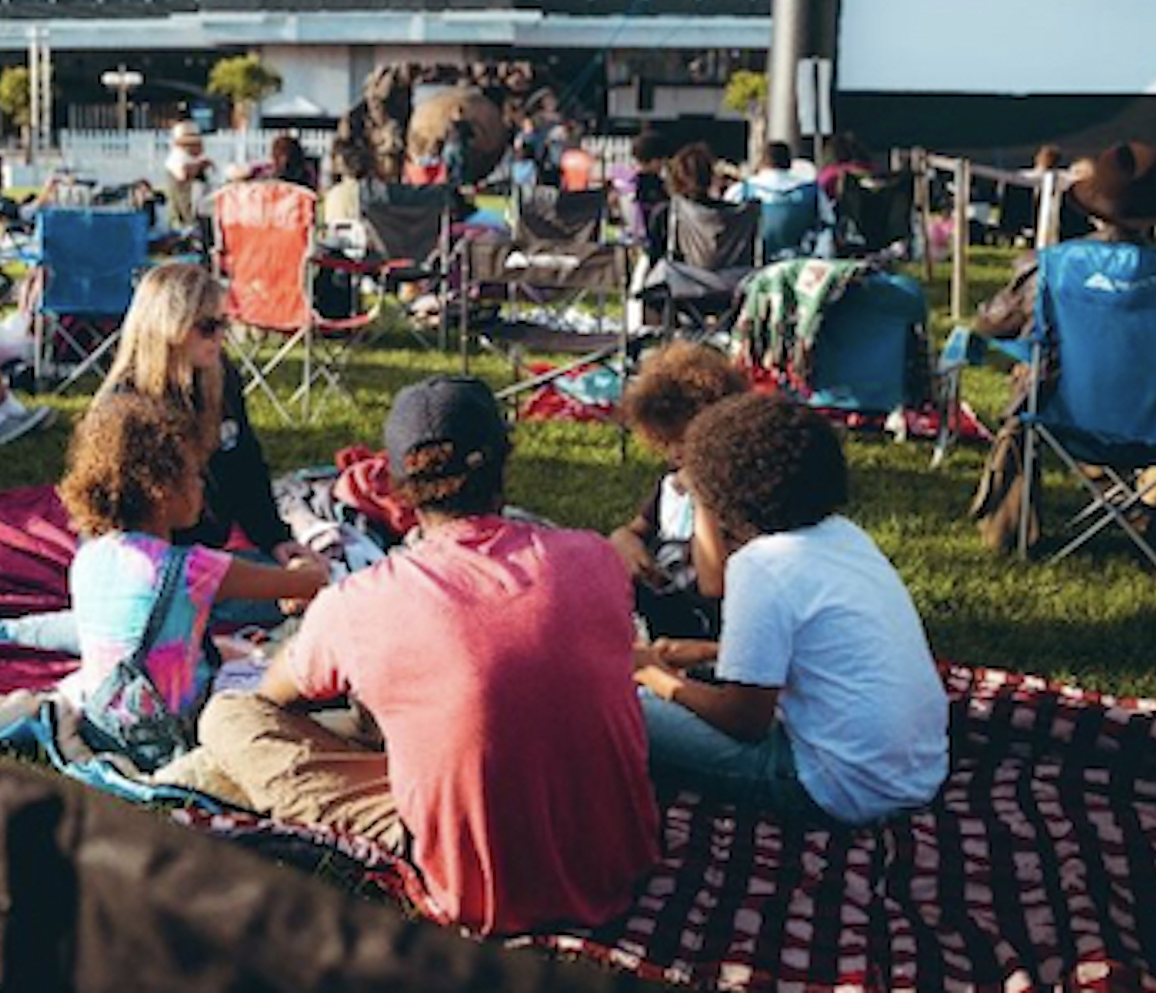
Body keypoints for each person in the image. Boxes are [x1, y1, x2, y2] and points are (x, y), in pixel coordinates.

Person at [197, 376, 659, 935]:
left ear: (394, 485)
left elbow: (272, 702)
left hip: (476, 885)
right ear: (504, 462)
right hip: (620, 863)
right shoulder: (596, 559)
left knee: (228, 718)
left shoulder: (362, 603)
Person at [634, 391, 948, 823]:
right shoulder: (845, 536)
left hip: (833, 788)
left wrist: (652, 672)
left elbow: (745, 720)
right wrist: (706, 652)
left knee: (612, 711)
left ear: (721, 493)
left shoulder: (760, 567)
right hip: (915, 772)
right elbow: (808, 647)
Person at [0, 264, 326, 653]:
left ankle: (13, 630)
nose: (220, 337)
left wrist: (276, 539)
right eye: (207, 326)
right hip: (152, 563)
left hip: (197, 557)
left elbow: (246, 465)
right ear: (169, 326)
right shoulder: (125, 410)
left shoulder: (221, 377)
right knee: (293, 595)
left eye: (224, 323)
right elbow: (110, 518)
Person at [57, 395, 326, 770]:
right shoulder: (191, 568)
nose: (202, 486)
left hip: (107, 724)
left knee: (228, 649)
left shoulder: (89, 558)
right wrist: (307, 559)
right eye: (194, 475)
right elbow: (306, 583)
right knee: (286, 673)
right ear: (161, 489)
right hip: (178, 730)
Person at [967, 141, 1156, 552]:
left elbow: (992, 323)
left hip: (1067, 417)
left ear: (1091, 208)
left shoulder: (1054, 267)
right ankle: (1152, 498)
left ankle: (1008, 532)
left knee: (1029, 390)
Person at [611, 343, 750, 640]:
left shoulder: (738, 493)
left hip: (712, 627)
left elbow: (715, 585)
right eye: (667, 444)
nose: (675, 454)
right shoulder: (672, 483)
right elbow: (636, 528)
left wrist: (702, 496)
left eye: (682, 442)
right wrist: (625, 541)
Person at [164, 121, 213, 227]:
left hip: (200, 210)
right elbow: (182, 175)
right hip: (183, 213)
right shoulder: (177, 157)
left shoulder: (195, 157)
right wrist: (199, 166)